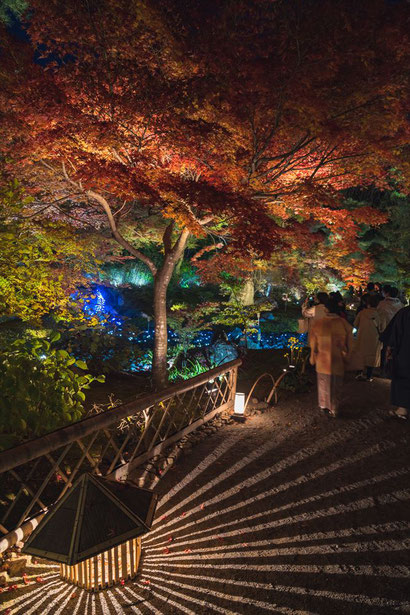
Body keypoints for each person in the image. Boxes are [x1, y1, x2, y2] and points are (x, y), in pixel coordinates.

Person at [309, 298, 354, 417]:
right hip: (338, 358)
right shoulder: (343, 323)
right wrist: (348, 357)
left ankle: (323, 405)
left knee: (323, 382)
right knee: (336, 384)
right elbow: (350, 343)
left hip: (322, 359)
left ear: (325, 309)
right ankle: (335, 407)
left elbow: (313, 343)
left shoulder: (318, 323)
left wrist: (313, 357)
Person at [381, 306, 410, 420]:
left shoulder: (405, 312)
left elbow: (394, 334)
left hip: (405, 353)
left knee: (403, 379)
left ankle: (402, 409)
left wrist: (390, 351)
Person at [353, 294, 382, 381]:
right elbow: (382, 328)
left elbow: (355, 324)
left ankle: (359, 373)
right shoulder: (380, 314)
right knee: (372, 357)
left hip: (362, 337)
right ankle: (369, 376)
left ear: (368, 304)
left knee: (361, 354)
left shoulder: (362, 313)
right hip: (374, 339)